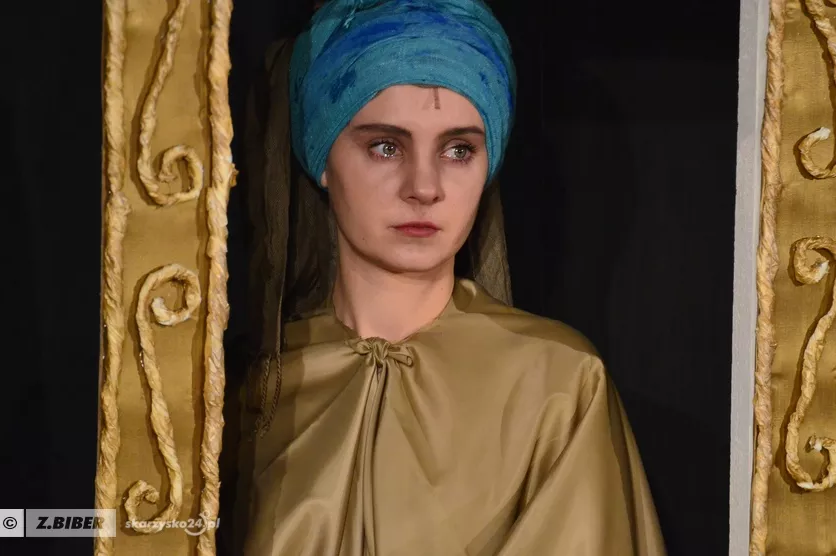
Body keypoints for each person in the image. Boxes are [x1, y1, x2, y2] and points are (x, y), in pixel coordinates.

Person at [234, 1, 666, 554]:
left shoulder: (558, 385)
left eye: (459, 150)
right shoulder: (252, 391)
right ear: (321, 155)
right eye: (385, 147)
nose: (424, 186)